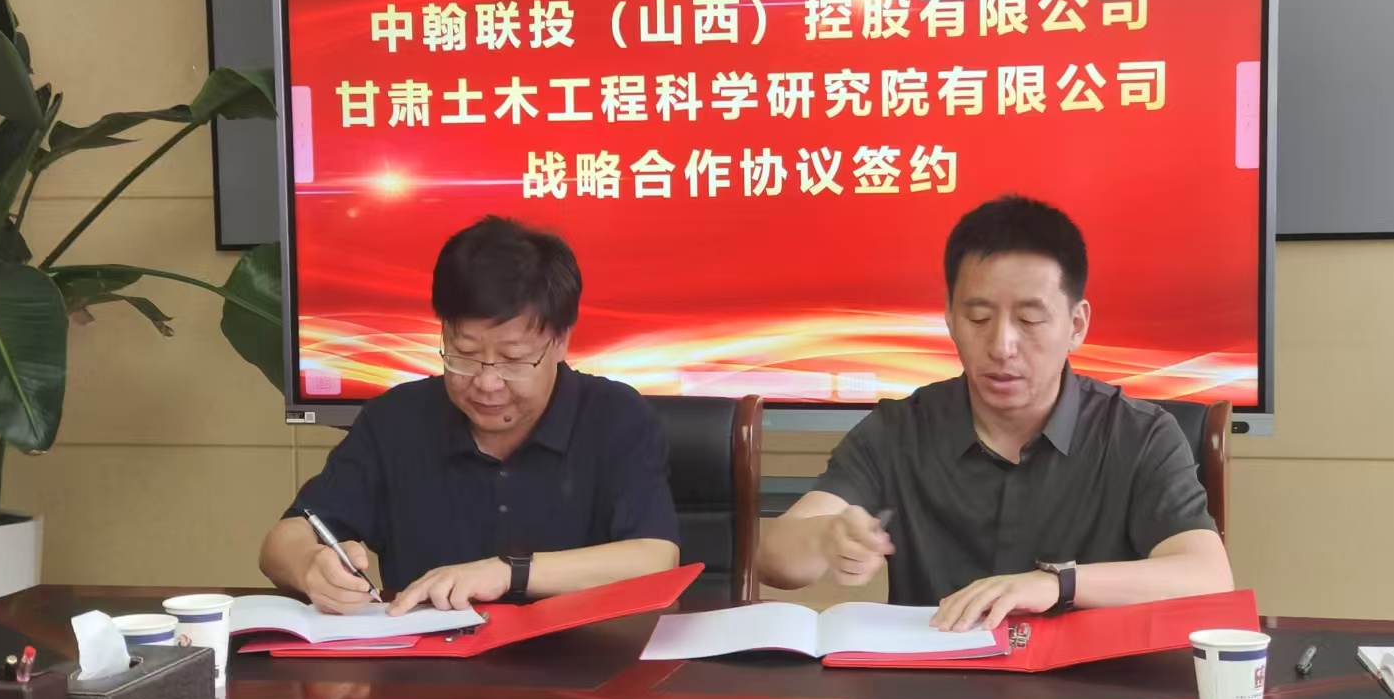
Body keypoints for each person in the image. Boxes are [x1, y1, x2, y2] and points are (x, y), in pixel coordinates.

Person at [757, 195, 1232, 632]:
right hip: (933, 690)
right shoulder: (899, 431)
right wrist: (826, 537)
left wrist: (1055, 585)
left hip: (1089, 690)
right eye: (978, 318)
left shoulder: (1138, 435)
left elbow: (1208, 577)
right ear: (950, 318)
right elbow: (774, 560)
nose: (1002, 345)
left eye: (1029, 319)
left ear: (1076, 325)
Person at [260, 216, 679, 614]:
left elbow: (655, 558)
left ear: (560, 341)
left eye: (513, 360)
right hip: (429, 661)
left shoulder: (615, 417)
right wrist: (310, 565)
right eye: (464, 355)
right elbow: (284, 540)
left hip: (582, 659)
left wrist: (508, 573)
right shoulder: (397, 419)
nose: (487, 382)